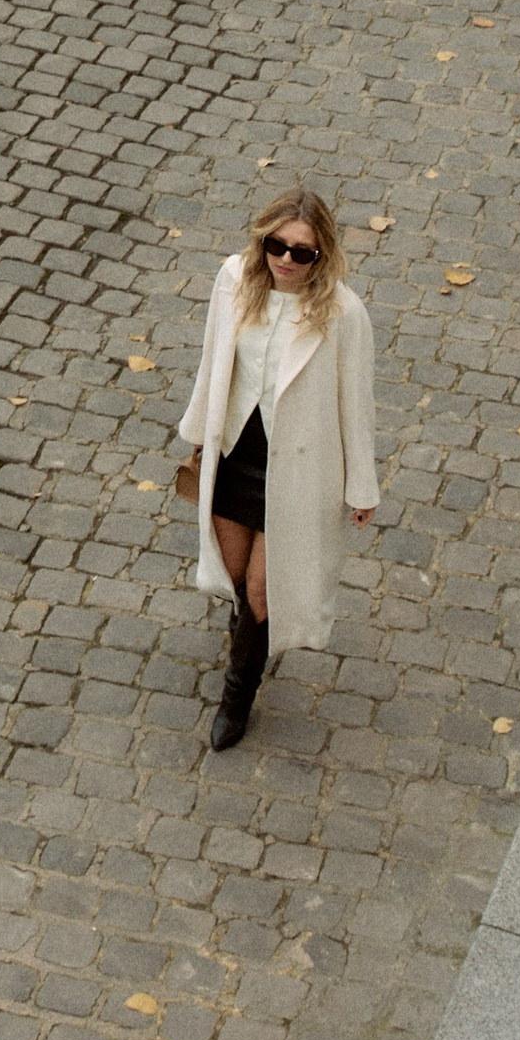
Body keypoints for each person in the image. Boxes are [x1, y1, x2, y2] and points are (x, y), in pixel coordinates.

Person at [177, 188, 379, 752]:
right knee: (235, 576)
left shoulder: (345, 315)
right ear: (262, 240)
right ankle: (247, 636)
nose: (287, 261)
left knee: (265, 590)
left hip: (301, 472)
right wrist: (197, 435)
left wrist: (361, 486)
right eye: (277, 247)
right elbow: (212, 357)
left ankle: (236, 695)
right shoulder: (233, 280)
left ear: (323, 257)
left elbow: (357, 406)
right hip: (236, 453)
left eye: (303, 253)